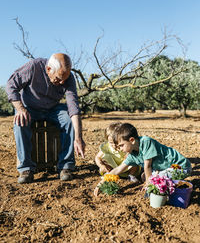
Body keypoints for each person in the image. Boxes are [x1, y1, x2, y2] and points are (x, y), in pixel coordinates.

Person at [6, 53, 85, 184]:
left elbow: (73, 107)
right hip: (29, 107)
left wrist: (78, 137)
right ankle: (26, 168)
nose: (62, 83)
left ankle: (66, 166)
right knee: (20, 122)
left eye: (64, 79)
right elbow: (11, 85)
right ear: (48, 69)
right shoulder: (33, 66)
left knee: (68, 119)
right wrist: (20, 108)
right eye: (59, 79)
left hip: (52, 108)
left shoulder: (68, 77)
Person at [94, 123, 191, 196]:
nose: (120, 149)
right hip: (165, 169)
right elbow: (119, 169)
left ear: (131, 140)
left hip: (179, 167)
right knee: (147, 177)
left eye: (121, 145)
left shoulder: (146, 142)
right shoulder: (133, 154)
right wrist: (102, 182)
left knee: (155, 180)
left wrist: (148, 184)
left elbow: (147, 165)